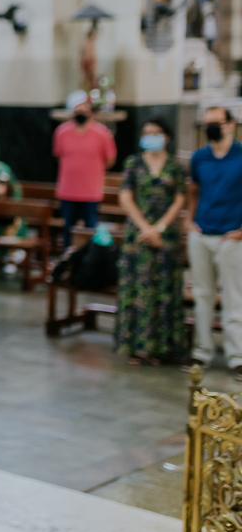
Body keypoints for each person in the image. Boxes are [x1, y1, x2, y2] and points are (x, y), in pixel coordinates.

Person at [115, 117, 186, 366]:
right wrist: (146, 227)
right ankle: (137, 347)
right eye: (146, 133)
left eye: (156, 133)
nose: (150, 137)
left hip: (166, 237)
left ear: (167, 137)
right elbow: (125, 197)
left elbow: (180, 199)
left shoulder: (175, 167)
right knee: (138, 289)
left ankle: (161, 348)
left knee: (163, 289)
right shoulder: (133, 163)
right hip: (138, 236)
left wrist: (160, 227)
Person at [186, 107, 242, 377]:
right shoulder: (199, 157)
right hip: (201, 233)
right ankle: (202, 352)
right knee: (202, 295)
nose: (210, 127)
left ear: (230, 125)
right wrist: (190, 221)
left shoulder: (240, 155)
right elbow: (193, 190)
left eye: (216, 123)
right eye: (206, 123)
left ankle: (237, 355)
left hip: (231, 236)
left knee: (234, 298)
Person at [53, 97, 117, 247]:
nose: (80, 114)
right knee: (68, 228)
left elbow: (110, 159)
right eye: (77, 111)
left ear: (91, 113)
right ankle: (68, 257)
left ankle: (90, 258)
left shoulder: (102, 133)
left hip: (90, 191)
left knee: (90, 228)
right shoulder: (61, 132)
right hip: (67, 190)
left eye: (84, 110)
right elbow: (58, 156)